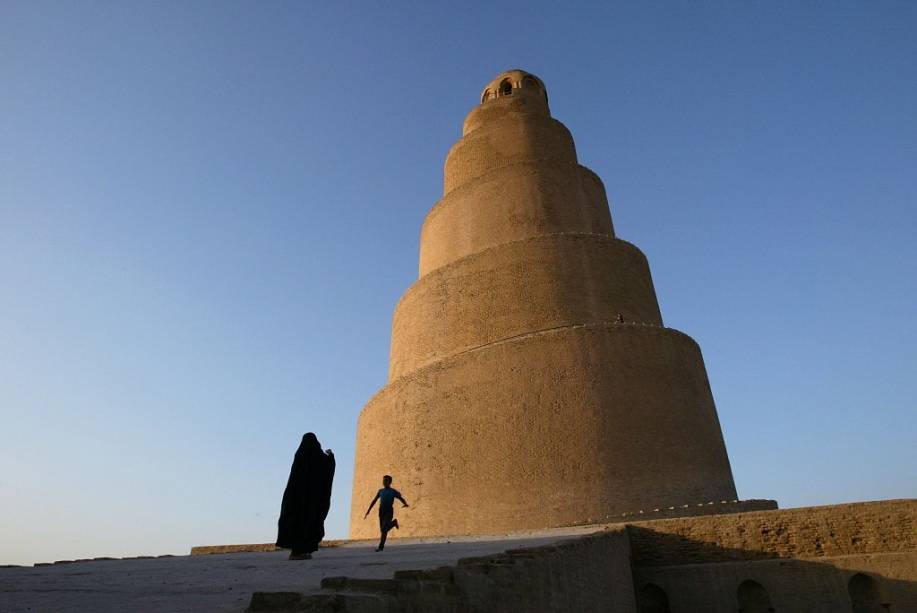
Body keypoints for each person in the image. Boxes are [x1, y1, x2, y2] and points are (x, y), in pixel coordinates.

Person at [276, 433, 335, 560]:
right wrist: (331, 457)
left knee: (296, 523)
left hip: (295, 500)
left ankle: (296, 552)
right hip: (311, 501)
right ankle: (300, 552)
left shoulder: (300, 456)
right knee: (308, 522)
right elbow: (325, 469)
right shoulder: (317, 456)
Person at [363, 475, 408, 552]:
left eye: (386, 480)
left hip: (389, 510)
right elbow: (374, 501)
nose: (384, 482)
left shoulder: (393, 491)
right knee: (383, 530)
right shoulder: (380, 491)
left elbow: (400, 498)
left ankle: (381, 547)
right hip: (381, 511)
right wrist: (368, 510)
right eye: (383, 480)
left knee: (384, 530)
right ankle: (394, 523)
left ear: (390, 482)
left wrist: (405, 503)